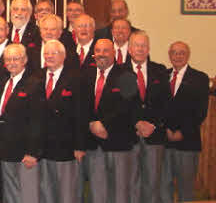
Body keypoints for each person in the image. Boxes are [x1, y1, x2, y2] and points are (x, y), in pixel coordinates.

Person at [80, 39, 138, 203]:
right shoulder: (86, 76)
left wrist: (104, 124)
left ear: (114, 53)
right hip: (93, 142)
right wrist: (91, 123)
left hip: (118, 142)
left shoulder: (127, 76)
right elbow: (81, 105)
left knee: (120, 192)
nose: (101, 55)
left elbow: (127, 107)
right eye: (98, 51)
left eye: (106, 51)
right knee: (97, 192)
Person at [160, 41, 209, 203]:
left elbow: (200, 111)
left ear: (187, 55)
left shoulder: (200, 78)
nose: (178, 56)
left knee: (186, 188)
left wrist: (182, 132)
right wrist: (166, 129)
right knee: (163, 186)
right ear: (169, 55)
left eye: (181, 53)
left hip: (187, 141)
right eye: (174, 53)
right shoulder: (161, 76)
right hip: (164, 142)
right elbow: (157, 106)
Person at [0, 43, 44, 203]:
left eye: (16, 59)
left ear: (25, 60)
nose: (11, 62)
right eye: (8, 59)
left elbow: (37, 121)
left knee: (28, 195)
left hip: (25, 152)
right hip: (5, 149)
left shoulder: (34, 84)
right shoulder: (2, 82)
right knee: (10, 193)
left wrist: (32, 152)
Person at [38, 40, 86, 203]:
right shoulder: (37, 76)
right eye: (46, 53)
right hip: (43, 147)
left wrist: (79, 146)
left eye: (54, 53)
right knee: (46, 191)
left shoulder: (75, 79)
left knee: (67, 194)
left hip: (66, 147)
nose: (49, 56)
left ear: (64, 56)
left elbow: (81, 115)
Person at [125, 31, 169, 203]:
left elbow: (165, 102)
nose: (140, 49)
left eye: (144, 45)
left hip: (154, 135)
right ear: (129, 49)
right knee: (131, 182)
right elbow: (121, 103)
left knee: (153, 183)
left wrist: (153, 124)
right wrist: (136, 122)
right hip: (130, 135)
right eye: (136, 45)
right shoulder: (120, 71)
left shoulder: (160, 70)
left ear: (149, 48)